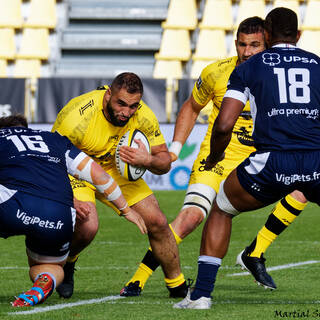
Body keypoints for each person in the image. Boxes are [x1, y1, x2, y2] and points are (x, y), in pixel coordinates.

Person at [120, 16, 307, 296]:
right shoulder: (216, 73)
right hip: (215, 160)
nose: (247, 52)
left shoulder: (279, 77)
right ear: (235, 44)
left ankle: (255, 252)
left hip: (256, 161)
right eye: (242, 45)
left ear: (267, 42)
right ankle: (138, 278)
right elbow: (191, 107)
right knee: (192, 217)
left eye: (255, 45)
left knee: (301, 188)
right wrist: (174, 149)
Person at [174, 7, 320, 309]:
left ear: (266, 36)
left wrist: (215, 156)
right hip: (316, 161)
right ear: (300, 35)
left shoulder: (250, 67)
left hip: (270, 163)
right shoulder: (318, 65)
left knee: (222, 209)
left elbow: (224, 123)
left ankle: (201, 295)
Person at [51, 72, 187, 299]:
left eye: (133, 106)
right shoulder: (76, 118)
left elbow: (164, 163)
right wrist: (68, 198)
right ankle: (69, 261)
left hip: (116, 168)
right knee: (88, 227)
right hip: (78, 169)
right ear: (108, 95)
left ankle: (177, 286)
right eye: (121, 103)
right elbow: (51, 160)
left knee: (158, 222)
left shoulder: (143, 115)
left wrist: (148, 160)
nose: (126, 112)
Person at [0, 114, 147, 307]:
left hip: (11, 204)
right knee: (47, 265)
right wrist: (126, 210)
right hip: (58, 213)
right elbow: (99, 175)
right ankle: (44, 282)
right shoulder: (54, 140)